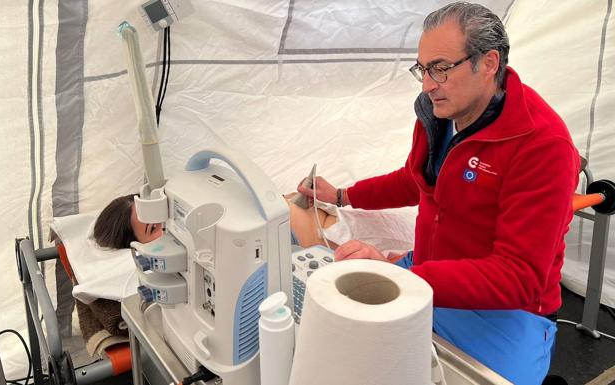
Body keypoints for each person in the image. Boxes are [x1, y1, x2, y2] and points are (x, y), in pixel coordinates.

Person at [297, 3, 579, 385]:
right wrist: (343, 195)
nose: (428, 84)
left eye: (441, 68)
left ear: (489, 63)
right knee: (337, 343)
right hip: (428, 271)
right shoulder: (439, 114)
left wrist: (411, 275)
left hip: (507, 311)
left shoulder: (542, 144)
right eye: (423, 69)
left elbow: (519, 277)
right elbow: (416, 178)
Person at [92, 193, 342, 250]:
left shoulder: (192, 214)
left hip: (334, 211)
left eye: (159, 217)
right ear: (138, 245)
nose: (164, 226)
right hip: (337, 238)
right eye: (152, 229)